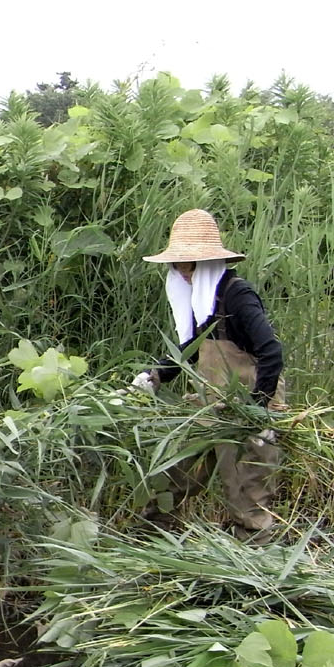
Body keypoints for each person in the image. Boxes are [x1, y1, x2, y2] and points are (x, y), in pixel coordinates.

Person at [132, 209, 284, 533]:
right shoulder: (198, 300)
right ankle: (150, 537)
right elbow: (190, 348)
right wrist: (153, 375)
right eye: (177, 266)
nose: (182, 273)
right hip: (212, 402)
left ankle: (253, 565)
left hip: (248, 402)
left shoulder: (237, 295)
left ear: (205, 263)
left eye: (187, 266)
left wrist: (259, 411)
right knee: (178, 470)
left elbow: (271, 352)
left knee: (245, 490)